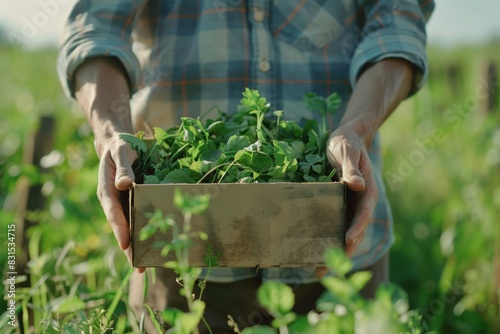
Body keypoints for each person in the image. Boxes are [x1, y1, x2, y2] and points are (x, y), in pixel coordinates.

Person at [58, 0, 434, 332]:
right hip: (183, 256)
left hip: (339, 242)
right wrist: (111, 133)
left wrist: (358, 128)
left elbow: (397, 21)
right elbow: (95, 27)